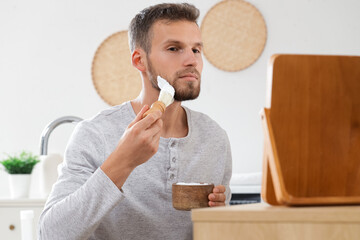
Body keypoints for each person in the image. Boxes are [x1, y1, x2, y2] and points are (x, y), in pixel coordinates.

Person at [39, 3, 232, 240]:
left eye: (196, 50)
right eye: (174, 48)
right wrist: (122, 161)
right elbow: (51, 234)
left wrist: (220, 219)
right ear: (139, 60)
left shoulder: (214, 138)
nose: (191, 60)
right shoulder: (94, 134)